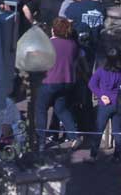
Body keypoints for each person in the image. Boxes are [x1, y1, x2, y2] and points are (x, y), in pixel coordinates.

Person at [35, 17, 82, 151]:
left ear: (54, 30)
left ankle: (41, 141)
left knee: (41, 109)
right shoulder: (73, 44)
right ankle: (74, 136)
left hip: (51, 80)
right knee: (61, 109)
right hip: (68, 81)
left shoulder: (49, 44)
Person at [88, 47, 121, 160]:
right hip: (119, 103)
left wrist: (101, 95)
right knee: (117, 130)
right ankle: (117, 155)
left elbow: (92, 84)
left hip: (105, 104)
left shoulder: (101, 71)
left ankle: (93, 155)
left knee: (99, 129)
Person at [66, 0, 108, 69]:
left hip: (76, 47)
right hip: (94, 47)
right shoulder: (102, 9)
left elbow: (66, 24)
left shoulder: (75, 6)